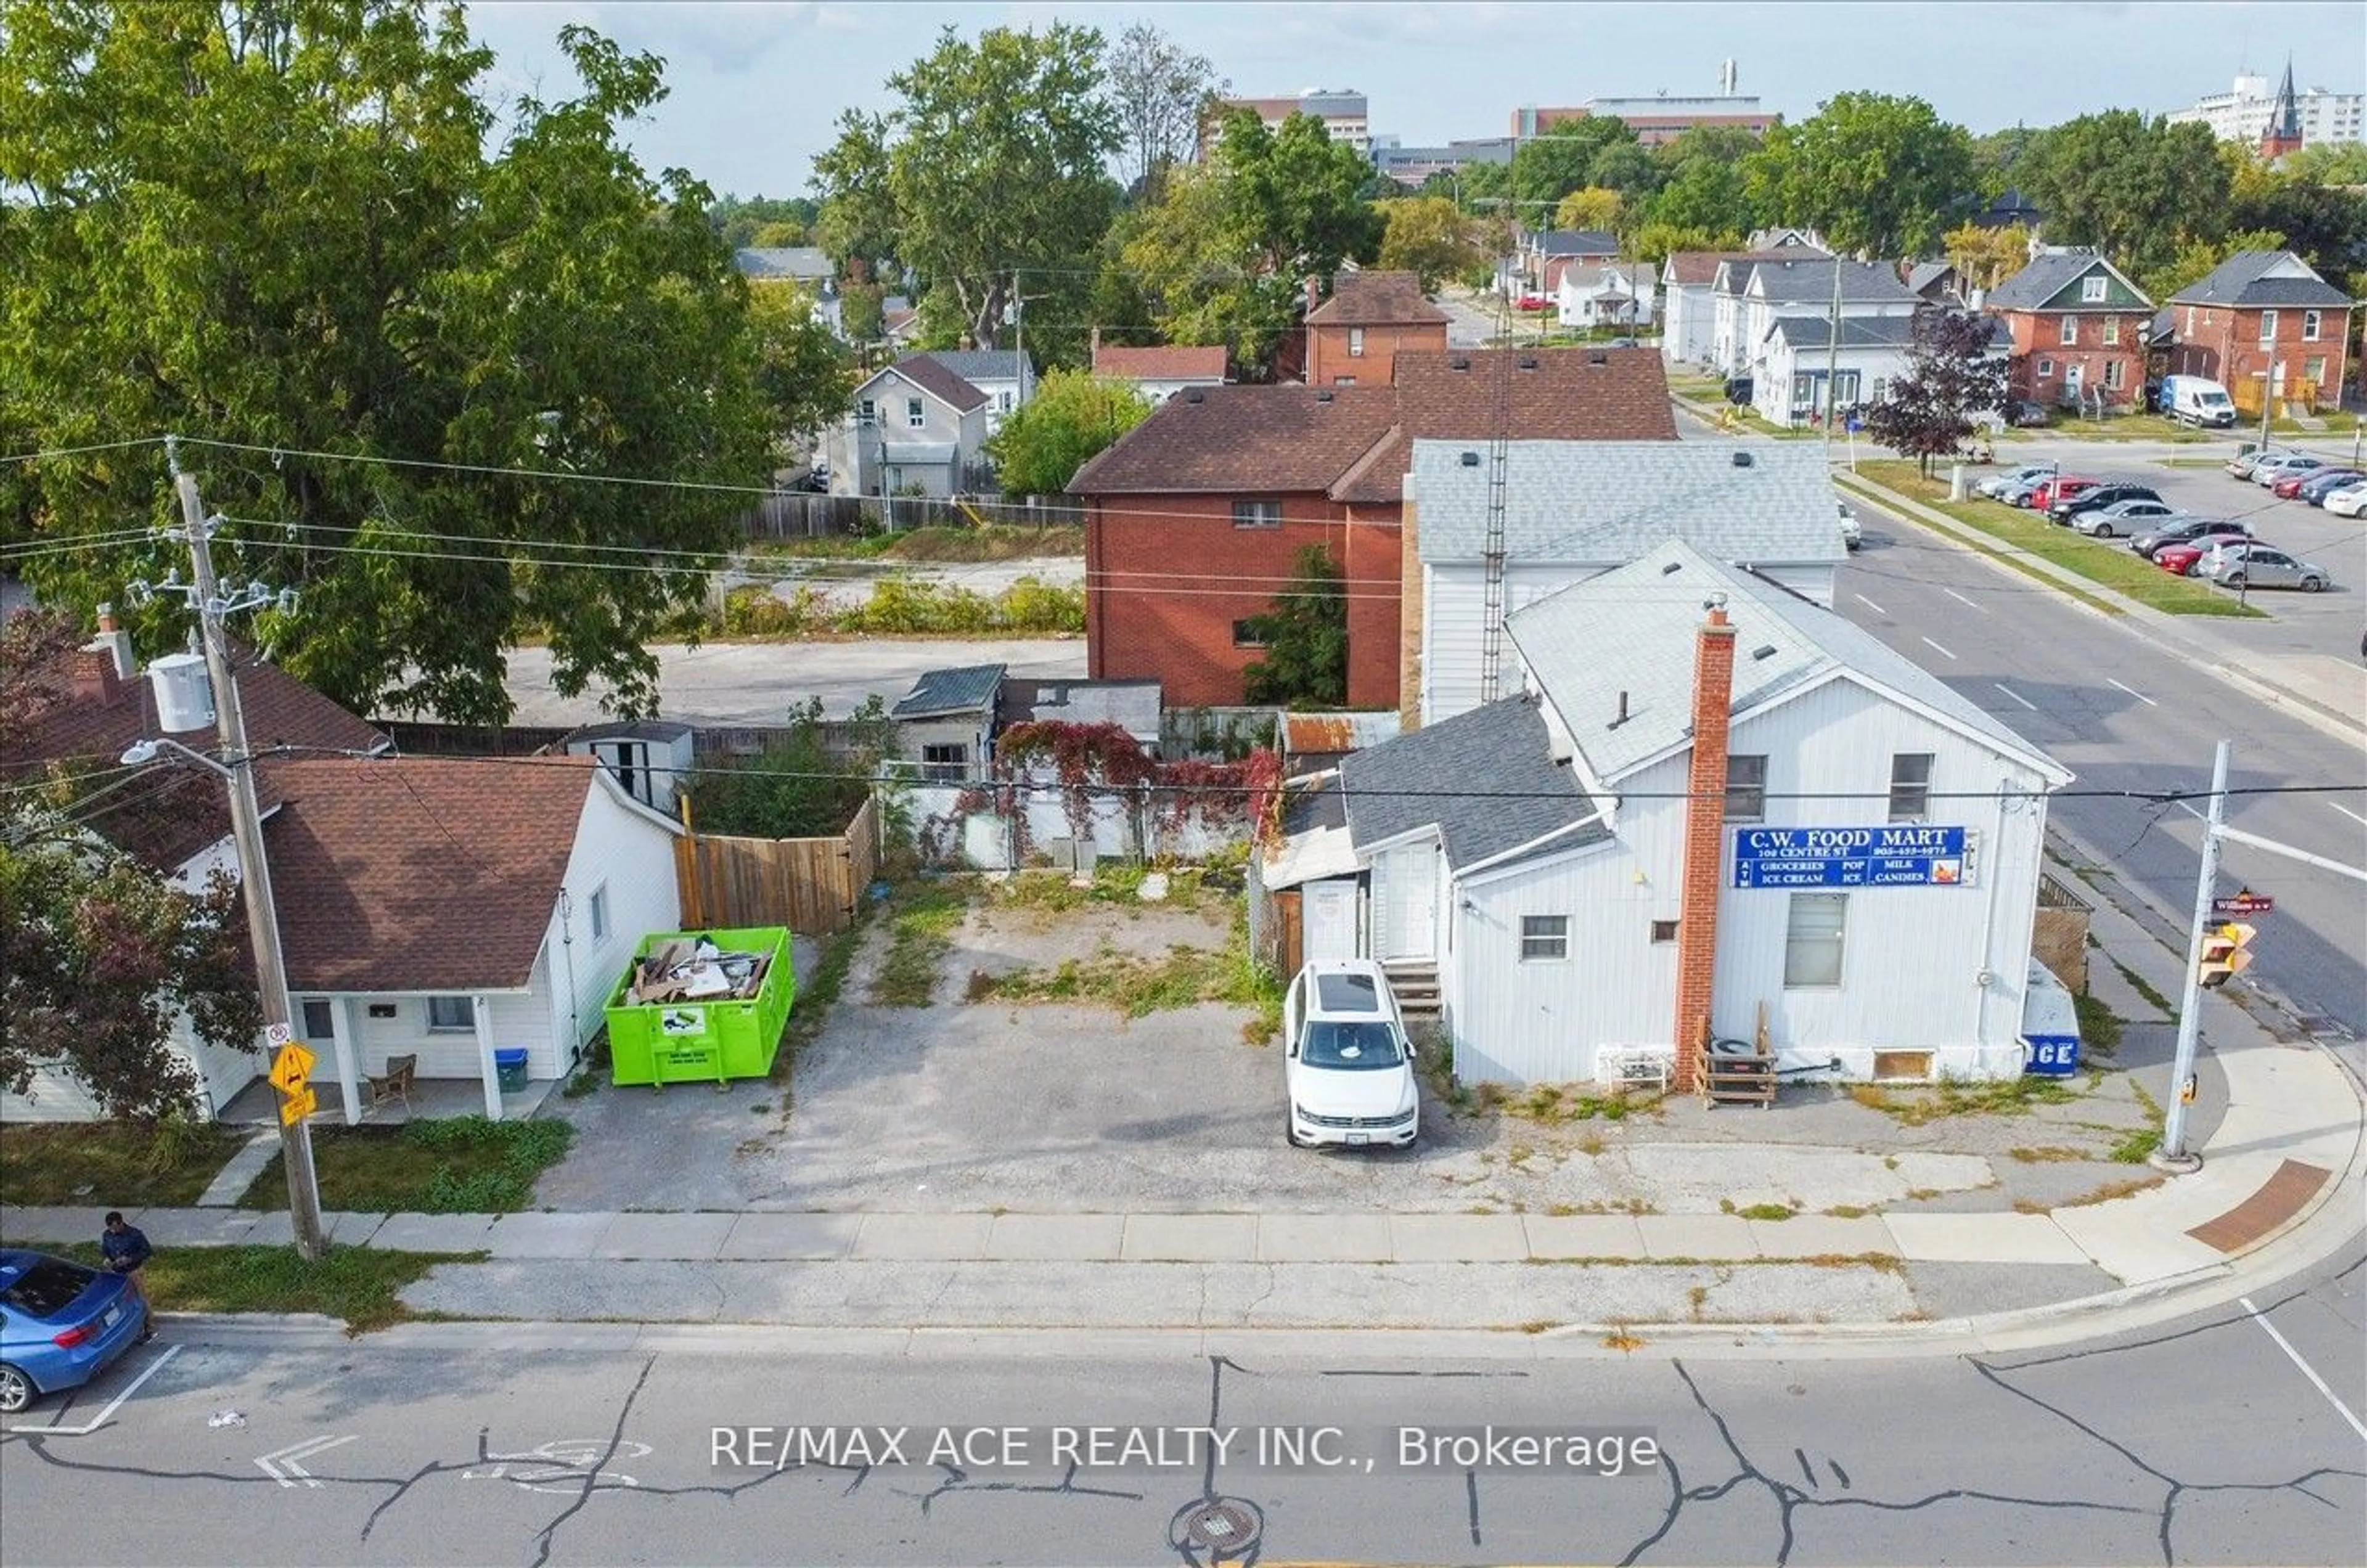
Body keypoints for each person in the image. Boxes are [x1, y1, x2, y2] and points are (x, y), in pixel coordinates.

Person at [99, 1211, 155, 1343]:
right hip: (118, 1273)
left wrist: (130, 1259)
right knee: (123, 1300)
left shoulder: (135, 1235)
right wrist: (107, 1259)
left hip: (134, 1271)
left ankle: (149, 1328)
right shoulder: (107, 1235)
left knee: (141, 1299)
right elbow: (106, 1250)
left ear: (121, 1223)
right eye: (110, 1229)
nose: (112, 1231)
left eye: (114, 1228)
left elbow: (147, 1251)